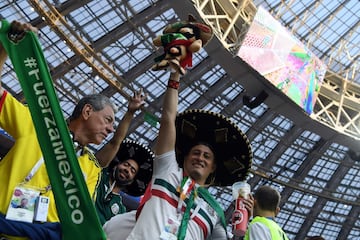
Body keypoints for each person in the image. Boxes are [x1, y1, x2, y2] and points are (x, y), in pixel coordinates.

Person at [0, 20, 145, 240]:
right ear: (87, 111)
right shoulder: (38, 123)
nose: (110, 129)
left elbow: (73, 220)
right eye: (107, 120)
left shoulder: (91, 169)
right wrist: (5, 45)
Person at [120, 58, 252, 239]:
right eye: (196, 153)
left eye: (207, 156)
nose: (200, 158)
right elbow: (168, 119)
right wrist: (175, 76)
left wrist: (245, 227)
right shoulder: (168, 170)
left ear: (213, 166)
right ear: (185, 158)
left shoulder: (214, 213)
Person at [95, 139, 154, 225]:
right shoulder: (98, 174)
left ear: (132, 181)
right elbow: (114, 143)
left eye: (132, 171)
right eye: (126, 164)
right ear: (116, 165)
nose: (127, 170)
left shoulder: (121, 210)